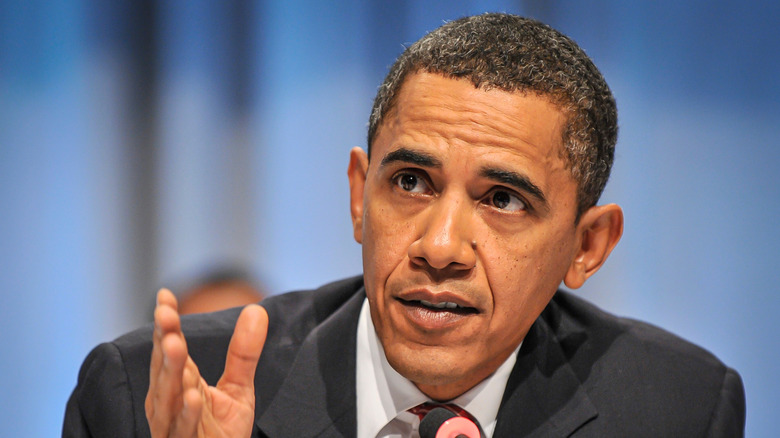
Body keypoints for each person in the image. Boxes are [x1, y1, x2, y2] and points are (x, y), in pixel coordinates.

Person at [63, 13, 745, 437]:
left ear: (587, 245)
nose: (440, 247)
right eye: (410, 182)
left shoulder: (679, 408)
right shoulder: (147, 401)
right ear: (360, 196)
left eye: (503, 199)